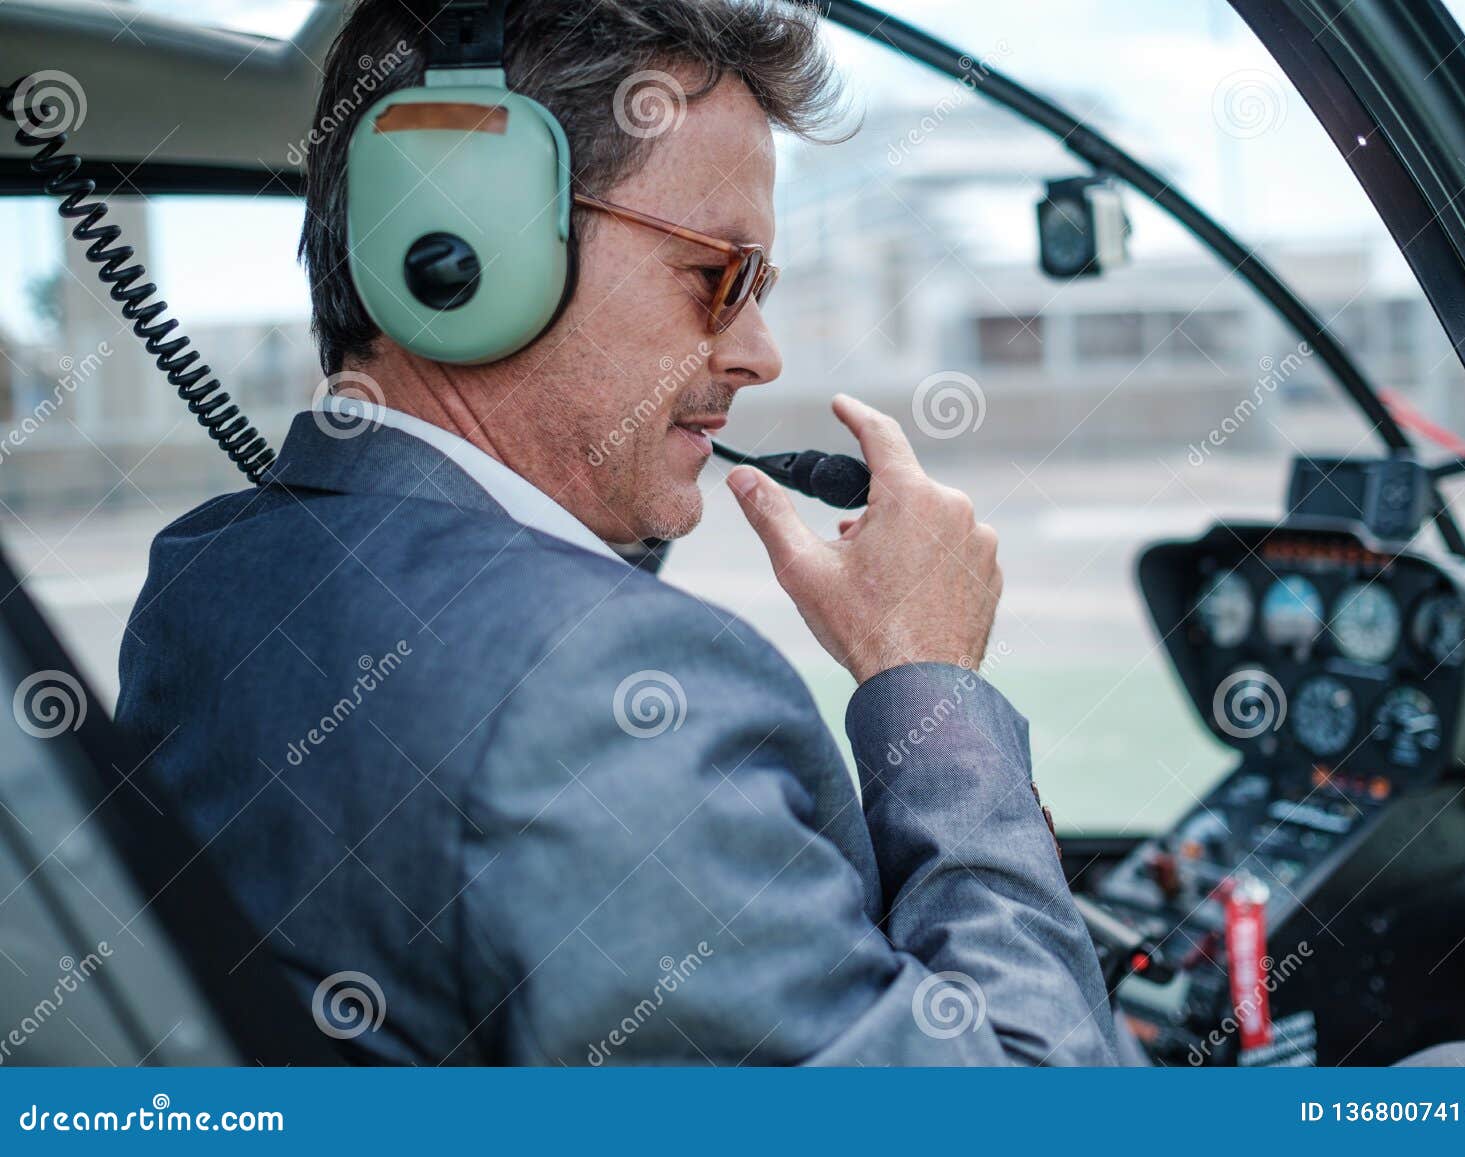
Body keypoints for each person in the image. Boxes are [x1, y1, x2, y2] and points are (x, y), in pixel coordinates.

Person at [115, 0, 1116, 1065]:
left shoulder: (208, 571)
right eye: (717, 275)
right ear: (458, 245)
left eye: (760, 285)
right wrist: (928, 678)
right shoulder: (603, 692)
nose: (760, 353)